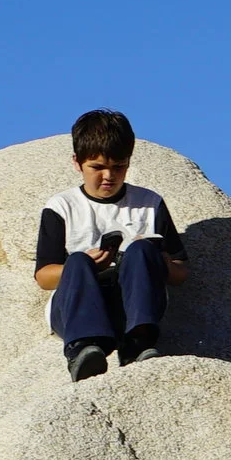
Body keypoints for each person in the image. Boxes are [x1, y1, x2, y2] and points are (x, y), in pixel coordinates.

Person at [34, 109, 189, 382]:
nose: (109, 176)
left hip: (133, 305)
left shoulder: (150, 203)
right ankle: (84, 350)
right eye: (97, 167)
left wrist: (158, 260)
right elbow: (44, 276)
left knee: (141, 251)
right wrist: (85, 264)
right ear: (77, 163)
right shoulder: (61, 207)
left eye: (119, 166)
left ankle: (138, 344)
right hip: (77, 308)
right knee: (78, 261)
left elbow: (180, 272)